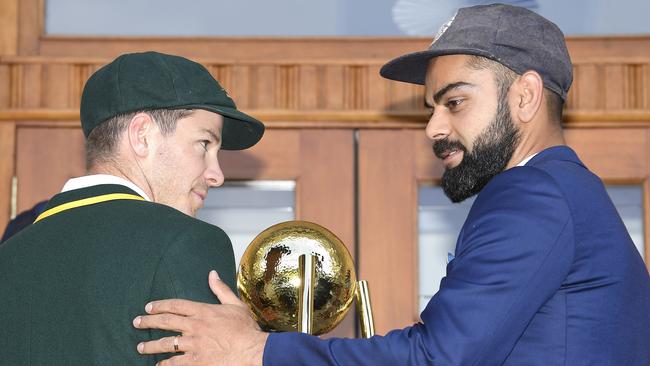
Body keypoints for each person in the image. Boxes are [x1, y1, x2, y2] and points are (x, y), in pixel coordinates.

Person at [133, 4, 650, 366]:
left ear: (526, 96)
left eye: (455, 102)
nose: (434, 128)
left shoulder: (532, 195)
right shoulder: (570, 193)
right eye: (432, 108)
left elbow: (437, 358)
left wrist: (256, 350)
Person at [0, 51, 264, 365]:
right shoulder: (187, 242)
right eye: (205, 144)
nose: (216, 174)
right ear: (142, 136)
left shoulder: (9, 257)